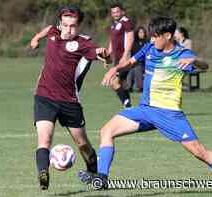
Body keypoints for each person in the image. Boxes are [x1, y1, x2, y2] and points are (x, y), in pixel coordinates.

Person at [79, 16, 212, 197]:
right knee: (106, 131)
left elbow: (205, 66)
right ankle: (102, 178)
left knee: (199, 151)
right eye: (151, 36)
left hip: (169, 115)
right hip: (145, 110)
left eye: (156, 36)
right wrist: (114, 69)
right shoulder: (149, 48)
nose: (152, 40)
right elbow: (130, 62)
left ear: (168, 35)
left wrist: (195, 61)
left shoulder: (181, 55)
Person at [30, 6, 109, 190]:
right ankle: (43, 173)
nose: (68, 30)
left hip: (69, 102)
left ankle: (94, 174)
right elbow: (46, 30)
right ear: (60, 24)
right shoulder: (53, 31)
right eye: (65, 25)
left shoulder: (84, 43)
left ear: (79, 26)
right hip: (44, 97)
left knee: (82, 144)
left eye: (73, 26)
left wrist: (105, 54)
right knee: (44, 139)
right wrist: (35, 39)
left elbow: (101, 54)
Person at [106, 2, 135, 108]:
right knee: (122, 83)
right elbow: (112, 40)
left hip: (124, 58)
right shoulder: (114, 24)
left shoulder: (126, 22)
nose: (115, 14)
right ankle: (128, 106)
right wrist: (107, 55)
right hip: (117, 59)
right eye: (113, 12)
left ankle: (127, 105)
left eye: (117, 12)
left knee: (114, 82)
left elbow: (130, 39)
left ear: (123, 11)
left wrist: (125, 56)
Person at [127, 26, 148, 92]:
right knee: (130, 70)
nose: (142, 34)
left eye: (143, 32)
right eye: (140, 32)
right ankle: (129, 86)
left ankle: (140, 87)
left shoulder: (147, 43)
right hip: (134, 62)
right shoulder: (134, 42)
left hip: (143, 63)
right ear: (137, 33)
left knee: (137, 68)